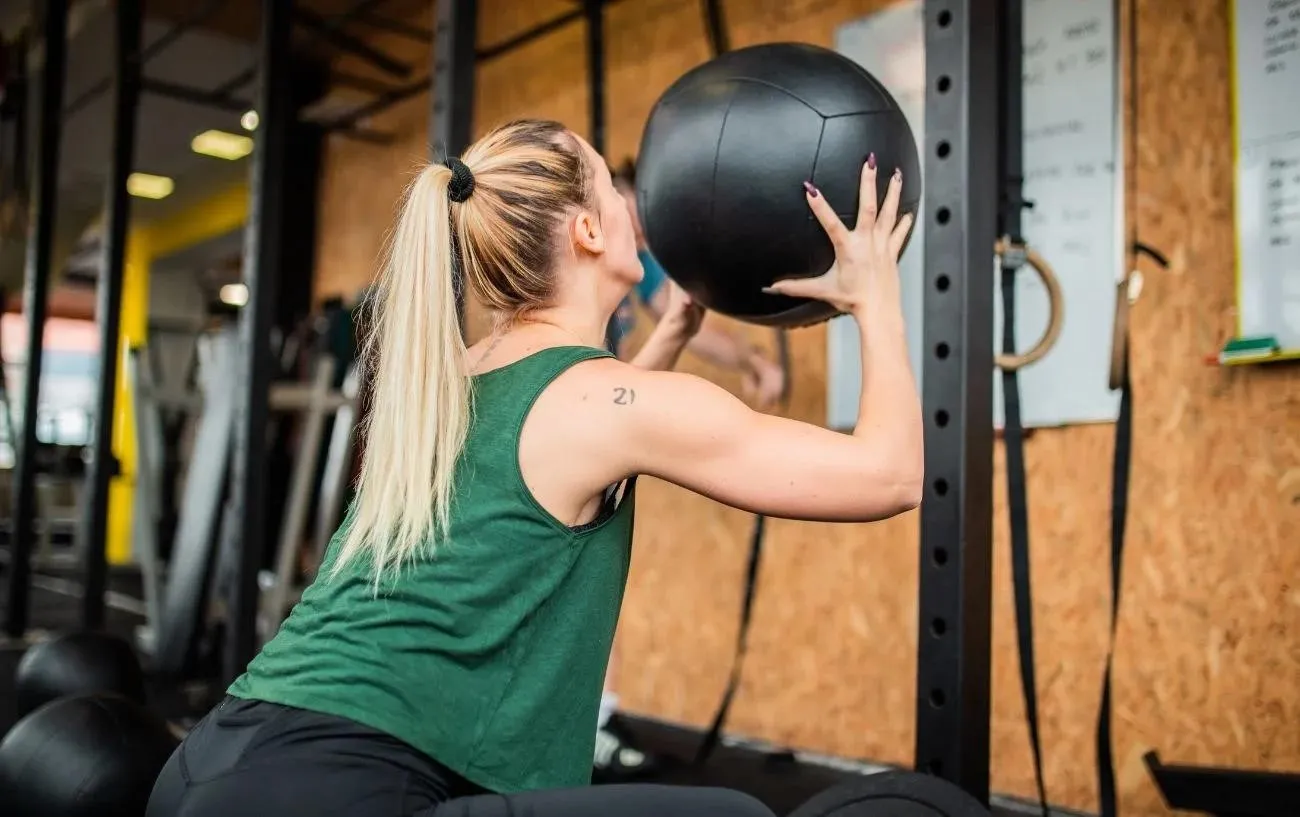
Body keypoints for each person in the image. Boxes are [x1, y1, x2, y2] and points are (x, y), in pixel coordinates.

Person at [146, 118, 920, 817]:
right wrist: (876, 294)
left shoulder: (451, 384)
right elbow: (890, 475)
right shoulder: (602, 404)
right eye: (614, 193)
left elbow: (578, 437)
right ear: (587, 229)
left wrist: (675, 328)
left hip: (215, 758)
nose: (632, 206)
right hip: (343, 787)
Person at [592, 159, 786, 782]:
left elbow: (685, 329)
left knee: (594, 573)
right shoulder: (573, 270)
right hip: (568, 421)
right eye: (629, 207)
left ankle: (596, 721)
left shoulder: (636, 265)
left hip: (596, 421)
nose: (641, 228)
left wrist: (751, 358)